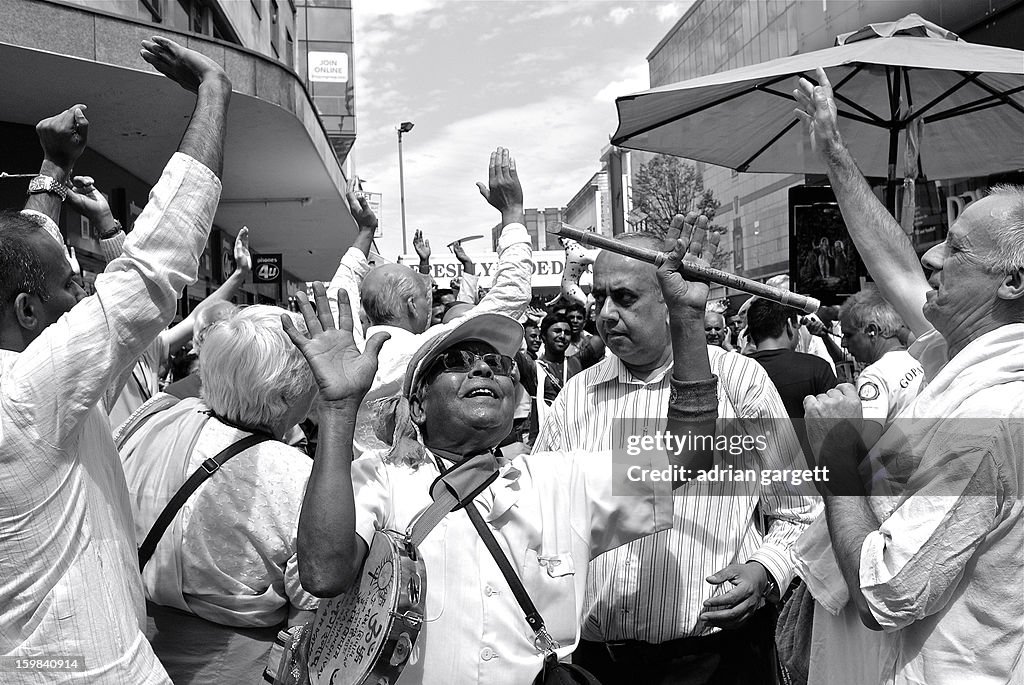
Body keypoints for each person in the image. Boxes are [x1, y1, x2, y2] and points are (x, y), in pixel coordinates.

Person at [284, 211, 724, 684]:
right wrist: (335, 411)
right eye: (457, 360)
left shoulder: (558, 481)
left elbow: (688, 455)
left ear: (516, 398)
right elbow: (323, 574)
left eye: (497, 361)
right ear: (417, 406)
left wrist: (688, 321)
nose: (483, 369)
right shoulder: (379, 480)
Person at [0, 36, 229, 683]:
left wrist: (52, 168)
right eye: (72, 284)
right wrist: (214, 94)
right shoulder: (26, 396)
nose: (86, 291)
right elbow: (155, 266)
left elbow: (22, 258)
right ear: (26, 313)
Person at [793, 67, 1023, 685]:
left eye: (955, 250)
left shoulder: (993, 419)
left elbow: (885, 594)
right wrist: (836, 156)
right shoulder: (953, 353)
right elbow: (893, 261)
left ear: (1012, 283)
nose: (932, 258)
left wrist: (839, 454)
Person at [534, 218, 820, 685]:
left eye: (624, 298)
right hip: (597, 663)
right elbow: (547, 519)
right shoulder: (576, 396)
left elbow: (799, 511)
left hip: (716, 659)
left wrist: (765, 571)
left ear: (670, 299)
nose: (605, 314)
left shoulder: (739, 382)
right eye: (599, 296)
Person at [117, 306, 319, 682]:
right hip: (231, 667)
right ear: (287, 393)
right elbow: (310, 603)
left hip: (128, 648)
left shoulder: (152, 421)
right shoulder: (299, 476)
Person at [326, 147, 533, 457]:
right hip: (423, 493)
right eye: (425, 298)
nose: (429, 306)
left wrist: (364, 232)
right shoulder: (423, 352)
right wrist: (513, 214)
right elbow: (510, 295)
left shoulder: (345, 355)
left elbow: (337, 296)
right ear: (412, 306)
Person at [745, 297, 838, 463]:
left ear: (751, 332)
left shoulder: (738, 372)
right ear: (789, 325)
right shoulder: (816, 368)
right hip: (809, 476)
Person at [838, 288, 923, 447]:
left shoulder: (873, 376)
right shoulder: (922, 358)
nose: (843, 343)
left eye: (848, 335)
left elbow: (865, 443)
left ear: (872, 331)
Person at [536, 311, 582, 405]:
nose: (562, 336)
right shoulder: (534, 367)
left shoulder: (576, 362)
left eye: (567, 333)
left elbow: (598, 342)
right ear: (544, 335)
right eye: (557, 331)